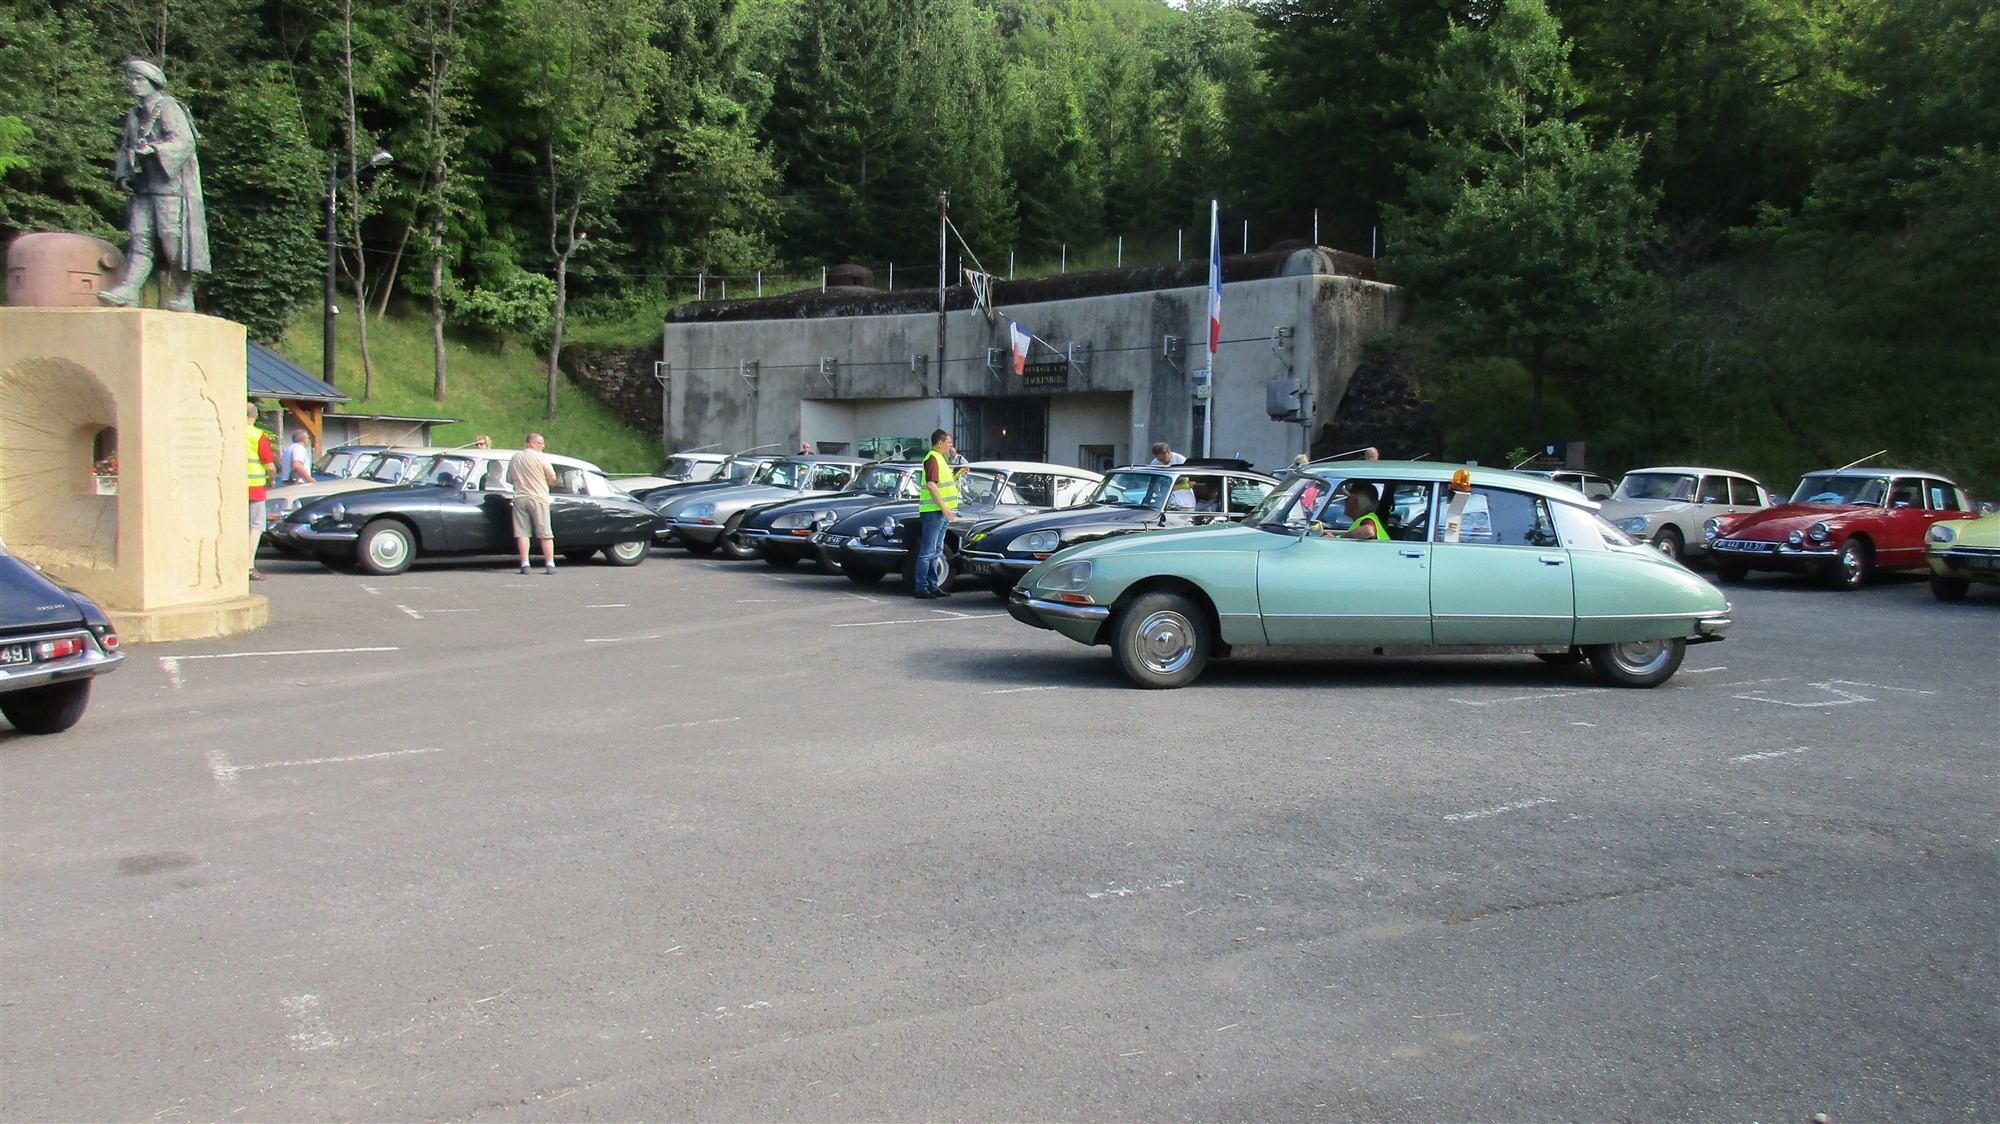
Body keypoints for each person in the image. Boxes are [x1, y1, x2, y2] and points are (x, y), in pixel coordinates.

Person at [98, 59, 209, 312]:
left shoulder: (168, 107)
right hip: (144, 187)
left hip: (170, 188)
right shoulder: (134, 114)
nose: (134, 84)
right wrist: (123, 175)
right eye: (131, 79)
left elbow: (185, 141)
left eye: (139, 79)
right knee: (140, 238)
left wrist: (154, 149)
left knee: (172, 241)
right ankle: (129, 290)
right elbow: (126, 147)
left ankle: (185, 294)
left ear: (153, 82)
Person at [914, 428, 959, 600]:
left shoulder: (939, 458)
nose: (950, 446)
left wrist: (958, 476)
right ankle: (921, 587)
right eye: (948, 443)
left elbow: (941, 484)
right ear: (940, 443)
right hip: (934, 511)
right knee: (928, 551)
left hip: (939, 512)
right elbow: (931, 485)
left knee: (936, 550)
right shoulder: (933, 458)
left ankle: (932, 586)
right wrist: (943, 507)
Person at [507, 432, 558, 574]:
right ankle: (550, 564)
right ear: (532, 443)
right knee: (545, 533)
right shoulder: (540, 457)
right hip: (538, 497)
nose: (543, 446)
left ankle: (525, 564)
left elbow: (509, 479)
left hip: (520, 497)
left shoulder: (515, 457)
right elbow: (552, 476)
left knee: (522, 533)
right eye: (541, 443)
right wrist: (547, 483)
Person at [246, 403, 276, 580]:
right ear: (255, 415)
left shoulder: (232, 433)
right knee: (255, 526)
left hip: (234, 486)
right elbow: (269, 465)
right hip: (255, 487)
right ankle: (249, 566)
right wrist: (271, 478)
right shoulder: (258, 435)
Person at [1321, 482, 1389, 541]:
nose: (1345, 501)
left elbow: (1368, 531)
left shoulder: (1367, 520)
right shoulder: (1368, 518)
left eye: (1347, 499)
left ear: (1355, 503)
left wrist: (1340, 538)